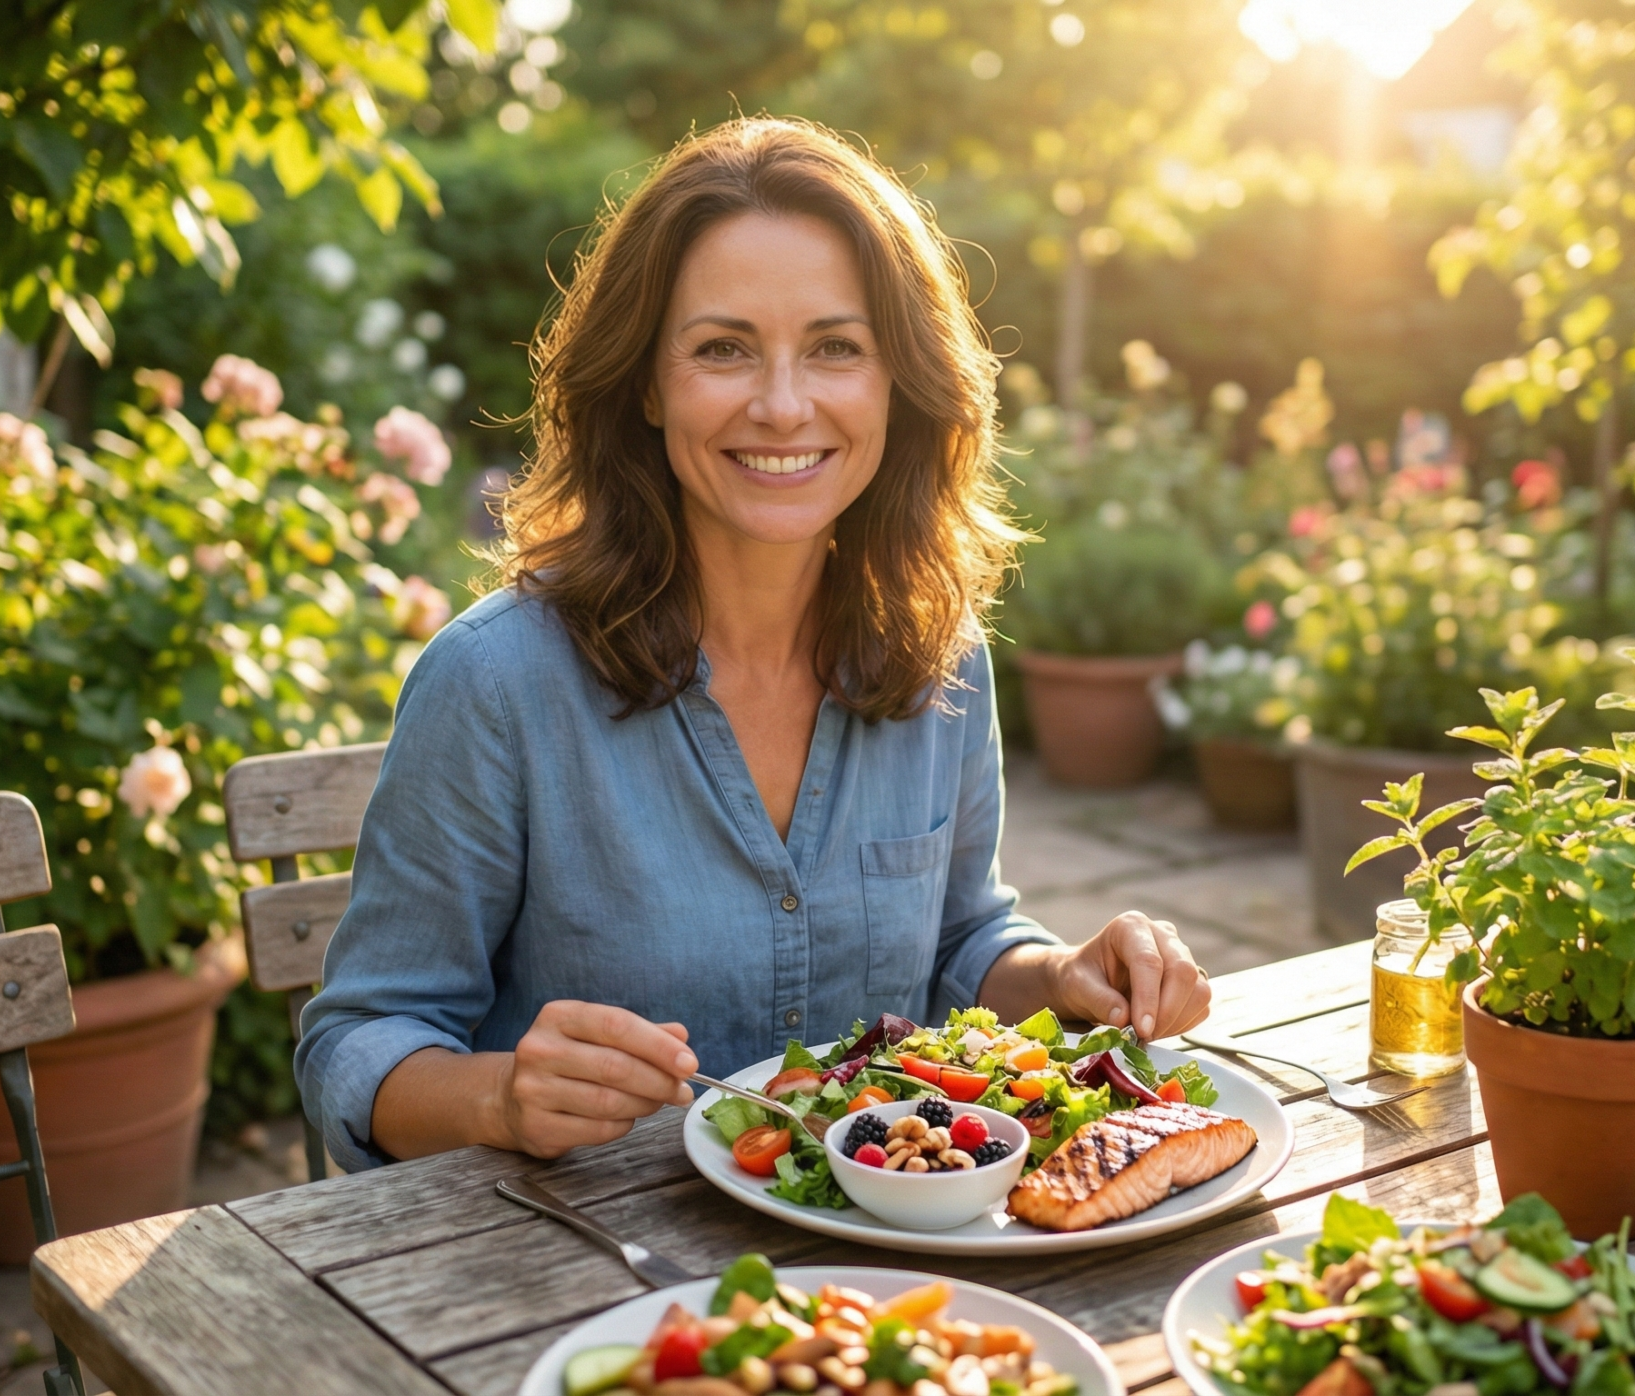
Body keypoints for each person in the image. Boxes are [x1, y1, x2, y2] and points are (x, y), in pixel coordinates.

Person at [296, 118, 1217, 1171]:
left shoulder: (938, 653)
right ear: (645, 383)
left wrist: (1059, 977)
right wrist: (500, 1094)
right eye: (722, 348)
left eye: (835, 347)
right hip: (577, 1282)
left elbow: (962, 942)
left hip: (883, 1269)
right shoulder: (496, 682)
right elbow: (355, 1043)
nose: (783, 406)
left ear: (895, 382)